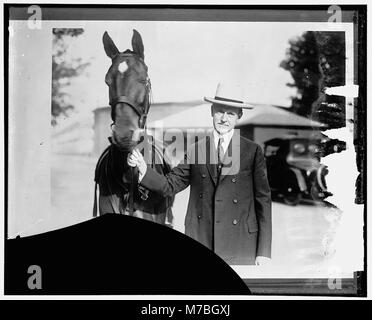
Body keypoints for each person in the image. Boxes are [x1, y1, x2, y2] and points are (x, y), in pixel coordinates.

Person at [128, 83, 272, 265]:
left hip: (241, 242)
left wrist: (264, 251)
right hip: (202, 237)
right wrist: (143, 169)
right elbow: (170, 185)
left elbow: (263, 201)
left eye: (231, 113)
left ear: (239, 116)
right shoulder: (197, 149)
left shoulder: (252, 151)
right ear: (212, 111)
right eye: (220, 111)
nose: (224, 119)